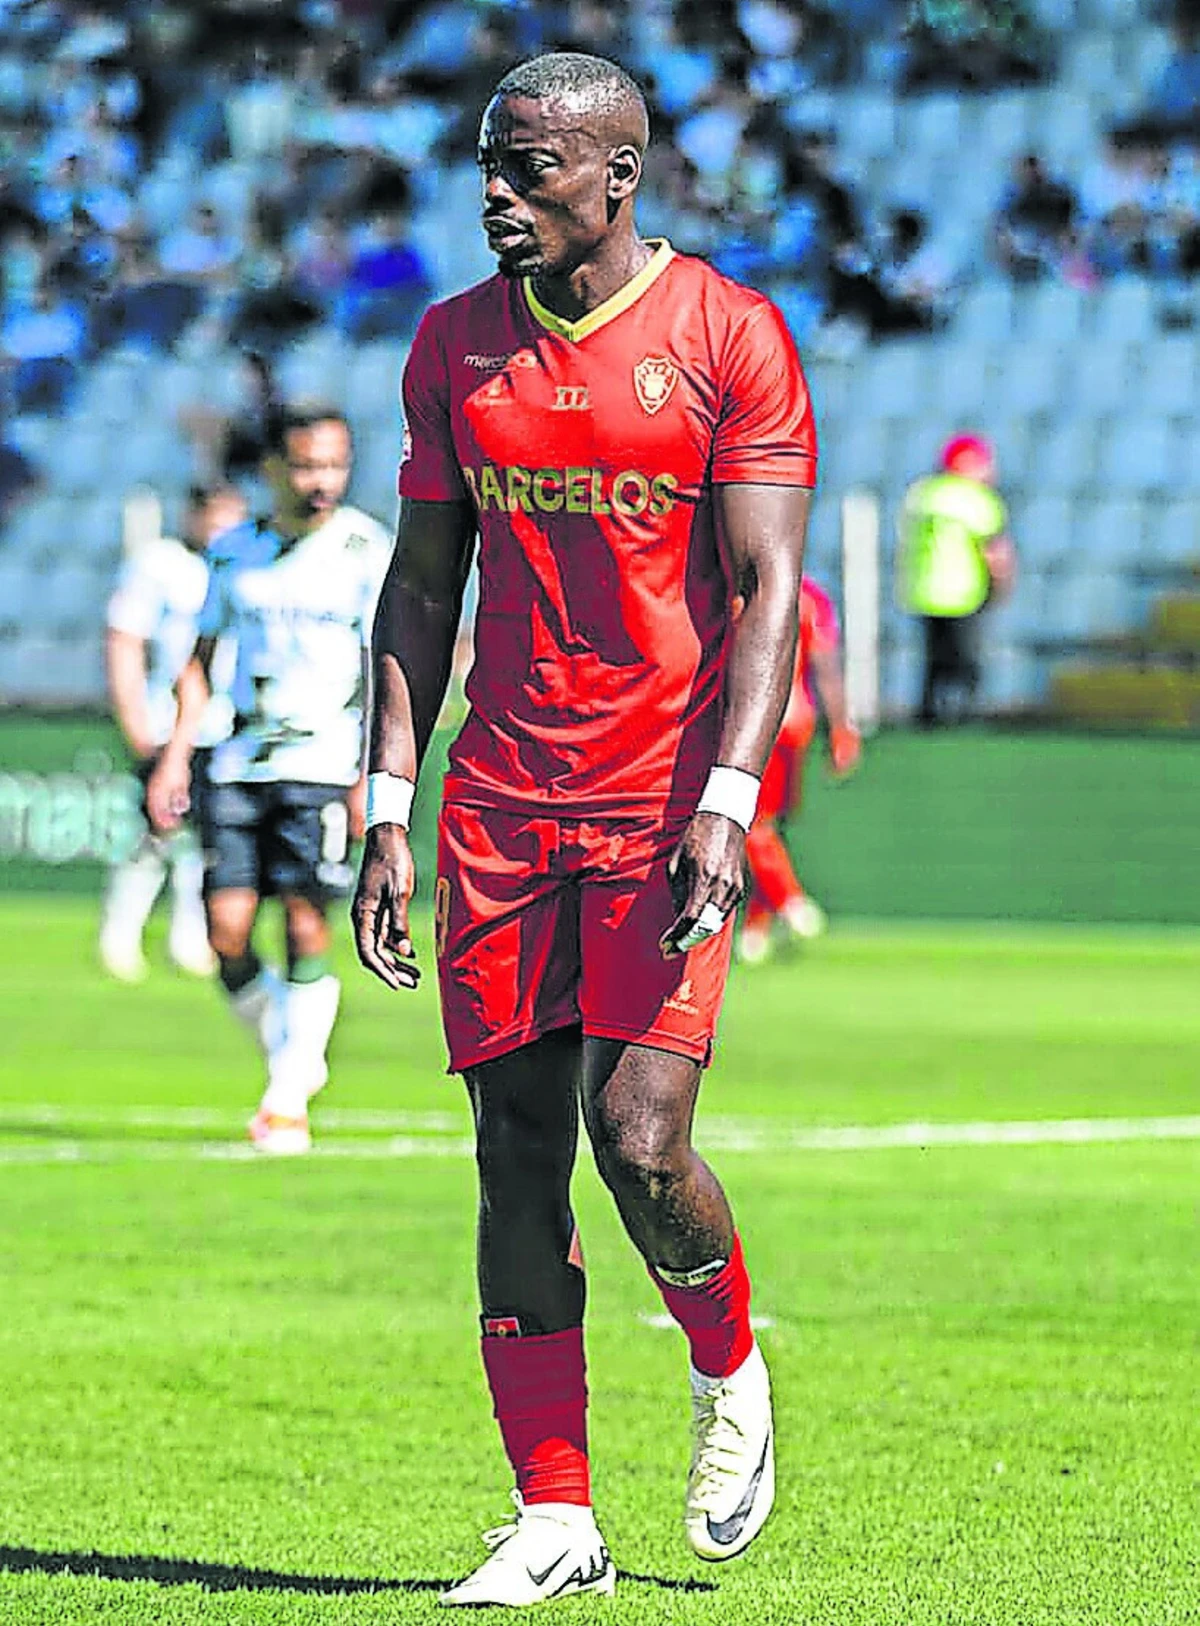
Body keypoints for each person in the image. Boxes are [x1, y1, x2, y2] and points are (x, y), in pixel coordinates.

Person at [352, 52, 816, 1608]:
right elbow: (420, 586)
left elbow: (766, 602)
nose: (496, 191)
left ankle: (728, 1364)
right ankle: (556, 1517)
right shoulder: (450, 347)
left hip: (658, 799)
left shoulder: (730, 335)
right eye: (489, 162)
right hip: (498, 799)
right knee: (514, 1155)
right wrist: (383, 804)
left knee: (641, 1137)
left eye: (530, 166)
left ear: (618, 177)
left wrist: (730, 801)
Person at [148, 406, 391, 1155]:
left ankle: (286, 1096)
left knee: (305, 922)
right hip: (235, 760)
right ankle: (295, 1056)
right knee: (225, 933)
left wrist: (371, 775)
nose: (322, 481)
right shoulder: (235, 554)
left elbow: (388, 669)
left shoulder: (364, 550)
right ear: (273, 470)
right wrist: (173, 753)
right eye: (306, 465)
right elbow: (198, 658)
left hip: (322, 765)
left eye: (335, 465)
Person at [99, 481, 247, 983]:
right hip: (167, 721)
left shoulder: (239, 566)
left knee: (208, 839)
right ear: (195, 515)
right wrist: (134, 714)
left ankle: (192, 939)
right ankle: (120, 934)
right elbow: (125, 638)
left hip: (225, 723)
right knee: (157, 832)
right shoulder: (159, 564)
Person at [738, 576, 860, 964]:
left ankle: (791, 901)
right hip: (798, 721)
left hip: (759, 723)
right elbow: (826, 667)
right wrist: (840, 726)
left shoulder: (740, 587)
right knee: (769, 827)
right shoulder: (812, 595)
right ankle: (754, 933)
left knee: (752, 826)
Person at [897, 433, 1016, 728]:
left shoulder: (923, 493)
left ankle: (928, 714)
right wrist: (1003, 584)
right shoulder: (975, 499)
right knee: (966, 659)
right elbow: (994, 550)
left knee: (933, 659)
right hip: (962, 591)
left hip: (921, 589)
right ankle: (964, 716)